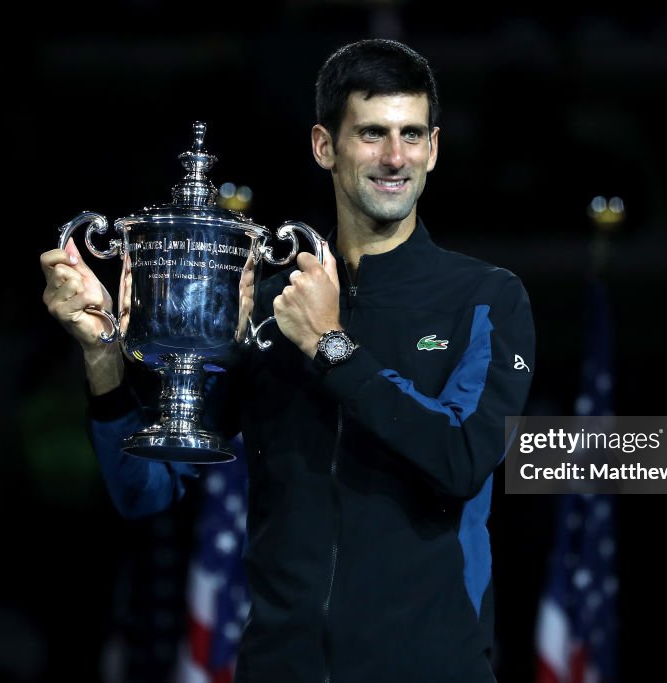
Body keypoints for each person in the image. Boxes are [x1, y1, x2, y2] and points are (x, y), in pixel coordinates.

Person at [40, 38, 535, 683]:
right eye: (371, 134)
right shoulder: (270, 309)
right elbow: (146, 491)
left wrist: (331, 345)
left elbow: (463, 458)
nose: (395, 158)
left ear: (434, 148)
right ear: (324, 146)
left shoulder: (488, 297)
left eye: (412, 135)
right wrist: (102, 354)